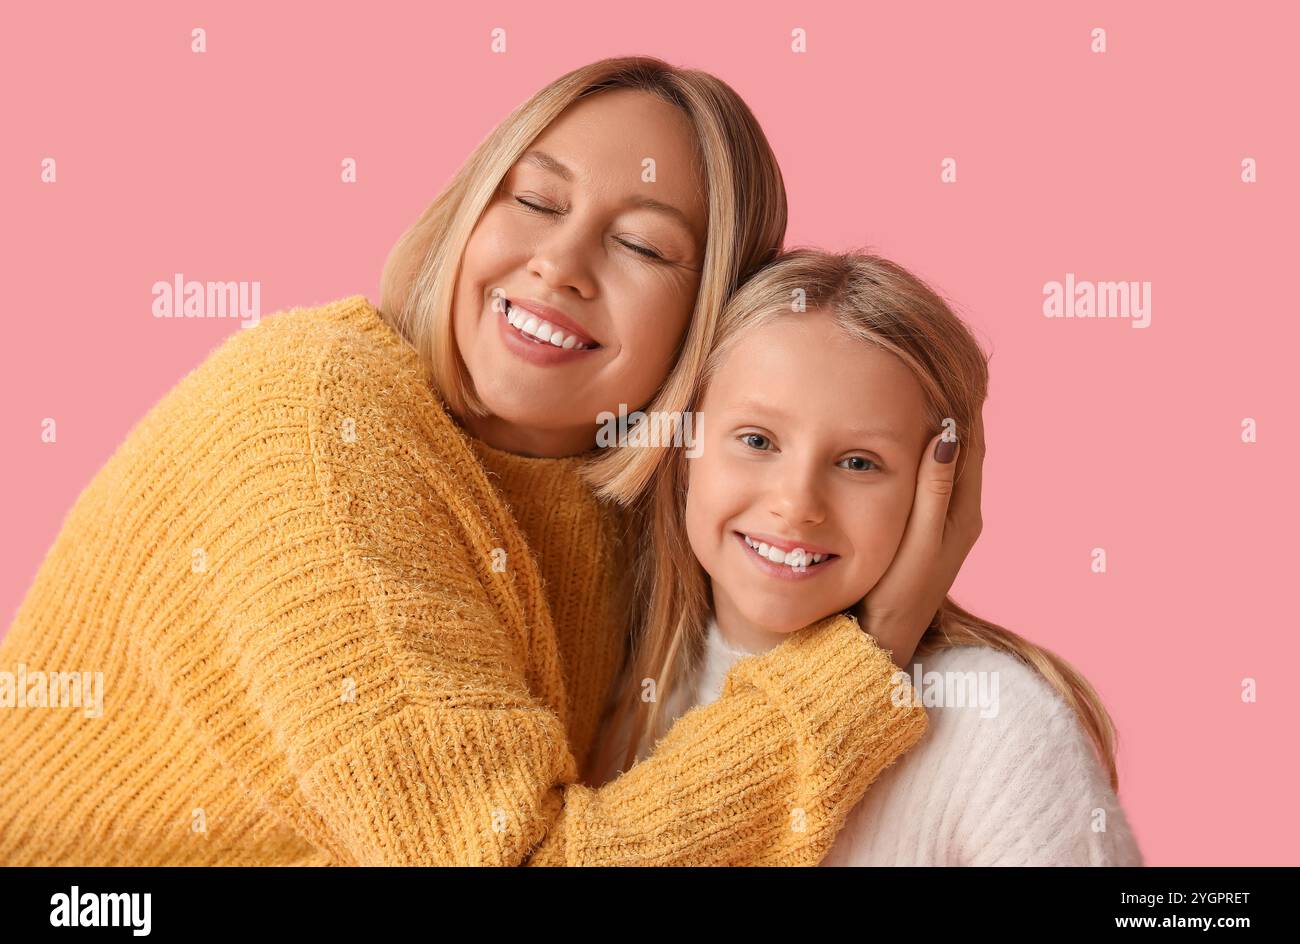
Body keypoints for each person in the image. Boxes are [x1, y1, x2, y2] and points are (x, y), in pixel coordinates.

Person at [0, 59, 975, 866]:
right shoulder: (315, 418)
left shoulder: (644, 499)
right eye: (536, 199)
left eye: (640, 243)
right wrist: (864, 655)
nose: (561, 261)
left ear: (706, 327)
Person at [590, 248, 1142, 866]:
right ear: (686, 446)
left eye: (859, 463)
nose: (797, 504)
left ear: (940, 493)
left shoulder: (993, 726)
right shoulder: (614, 700)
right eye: (757, 440)